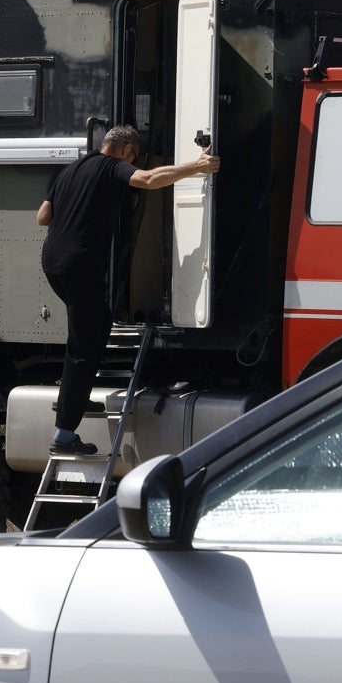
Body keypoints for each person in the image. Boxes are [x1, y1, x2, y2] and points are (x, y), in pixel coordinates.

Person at [37, 124, 220, 454]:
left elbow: (43, 217)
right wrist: (197, 166)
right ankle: (64, 434)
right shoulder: (111, 166)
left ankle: (74, 399)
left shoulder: (70, 169)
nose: (132, 163)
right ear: (126, 150)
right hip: (79, 264)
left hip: (52, 261)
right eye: (133, 157)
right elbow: (148, 181)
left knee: (92, 327)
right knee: (86, 342)